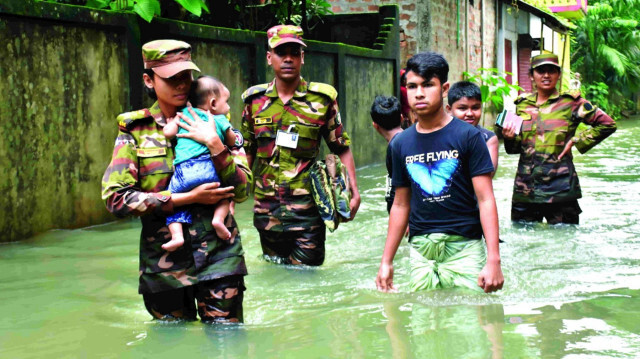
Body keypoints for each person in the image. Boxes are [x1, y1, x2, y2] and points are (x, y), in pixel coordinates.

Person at [101, 40, 251, 323]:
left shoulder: (215, 117)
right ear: (148, 80)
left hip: (220, 257)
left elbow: (244, 190)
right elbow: (115, 198)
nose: (182, 84)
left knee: (228, 343)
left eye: (186, 75)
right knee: (171, 345)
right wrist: (183, 200)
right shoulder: (135, 130)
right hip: (164, 265)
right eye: (171, 78)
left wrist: (217, 147)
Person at [375, 51, 503, 293]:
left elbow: (486, 199)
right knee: (423, 323)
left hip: (464, 246)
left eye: (427, 85)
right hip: (421, 251)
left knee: (471, 321)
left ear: (444, 88)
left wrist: (493, 259)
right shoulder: (400, 144)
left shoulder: (469, 136)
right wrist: (386, 261)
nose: (419, 93)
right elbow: (401, 205)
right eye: (412, 86)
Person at [240, 25, 361, 266]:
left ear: (302, 58)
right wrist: (233, 197)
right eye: (280, 52)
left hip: (309, 213)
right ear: (269, 57)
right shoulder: (254, 102)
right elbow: (247, 153)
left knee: (306, 279)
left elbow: (341, 147)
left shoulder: (322, 100)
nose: (288, 58)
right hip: (267, 212)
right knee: (276, 276)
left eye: (294, 52)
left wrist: (352, 191)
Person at [502, 53, 616, 224]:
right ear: (532, 75)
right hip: (525, 190)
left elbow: (607, 124)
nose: (546, 75)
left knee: (566, 242)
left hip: (561, 189)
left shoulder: (572, 103)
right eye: (541, 71)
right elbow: (514, 150)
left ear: (559, 74)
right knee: (525, 242)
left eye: (551, 71)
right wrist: (509, 138)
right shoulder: (522, 105)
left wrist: (577, 140)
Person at [162, 76, 237, 252]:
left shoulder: (183, 115)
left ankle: (177, 236)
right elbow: (232, 140)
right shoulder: (218, 118)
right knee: (225, 194)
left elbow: (167, 133)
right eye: (226, 102)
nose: (228, 107)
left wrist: (171, 123)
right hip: (208, 168)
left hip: (184, 171)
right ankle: (218, 220)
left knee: (171, 201)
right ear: (212, 103)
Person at [446, 81, 499, 176]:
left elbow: (488, 174)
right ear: (449, 110)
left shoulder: (488, 138)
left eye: (475, 108)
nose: (470, 114)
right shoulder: (441, 136)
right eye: (462, 108)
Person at [370, 95, 403, 213]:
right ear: (402, 118)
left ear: (375, 125)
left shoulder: (395, 146)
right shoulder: (408, 140)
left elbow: (397, 190)